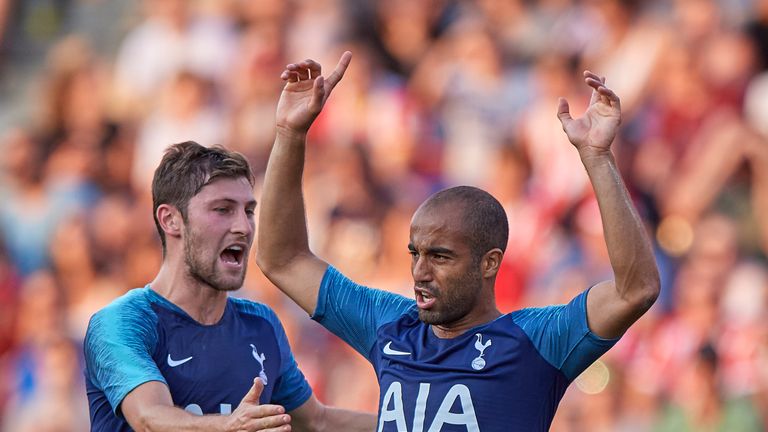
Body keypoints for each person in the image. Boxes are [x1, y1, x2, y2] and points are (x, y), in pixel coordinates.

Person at [257, 51, 661, 431]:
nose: (419, 271)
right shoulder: (392, 325)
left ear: (489, 263)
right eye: (415, 253)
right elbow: (283, 259)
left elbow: (635, 291)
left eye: (440, 256)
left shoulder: (535, 341)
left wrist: (597, 157)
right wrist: (290, 134)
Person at [83, 141, 375, 431]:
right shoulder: (121, 323)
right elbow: (149, 418)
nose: (244, 227)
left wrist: (411, 423)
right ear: (170, 220)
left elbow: (317, 422)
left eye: (248, 211)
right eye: (223, 210)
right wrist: (230, 426)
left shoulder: (261, 325)